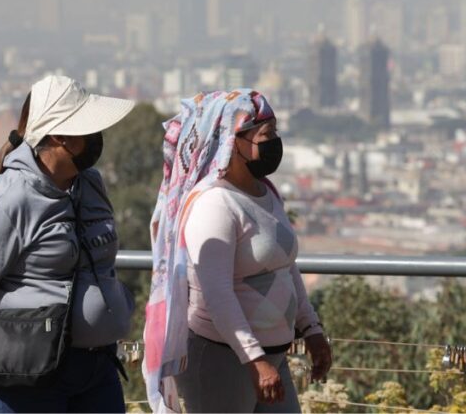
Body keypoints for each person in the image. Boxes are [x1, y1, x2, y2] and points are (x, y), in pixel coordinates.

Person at [0, 74, 137, 413]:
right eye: (87, 129)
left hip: (96, 369)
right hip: (28, 379)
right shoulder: (11, 199)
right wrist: (6, 338)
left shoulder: (90, 185)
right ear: (59, 136)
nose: (97, 138)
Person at [142, 90, 332, 413]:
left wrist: (311, 327)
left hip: (272, 357)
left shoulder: (267, 193)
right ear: (233, 139)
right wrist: (254, 359)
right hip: (223, 360)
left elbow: (285, 267)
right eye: (266, 135)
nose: (275, 143)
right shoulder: (214, 204)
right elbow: (218, 294)